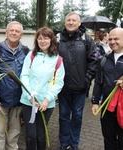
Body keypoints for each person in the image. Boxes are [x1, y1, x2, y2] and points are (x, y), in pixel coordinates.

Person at [57, 12, 97, 150]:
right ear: (65, 22)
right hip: (62, 88)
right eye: (68, 20)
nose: (71, 22)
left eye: (74, 20)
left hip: (80, 88)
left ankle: (74, 143)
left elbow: (94, 60)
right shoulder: (58, 39)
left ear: (79, 23)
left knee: (77, 117)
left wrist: (87, 79)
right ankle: (64, 142)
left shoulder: (86, 39)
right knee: (63, 116)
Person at [20, 27, 65, 150]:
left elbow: (59, 83)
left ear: (51, 40)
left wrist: (47, 99)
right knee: (30, 135)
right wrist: (29, 96)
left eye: (46, 38)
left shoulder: (58, 59)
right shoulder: (31, 55)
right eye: (40, 38)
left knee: (41, 134)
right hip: (29, 102)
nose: (42, 41)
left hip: (46, 104)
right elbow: (24, 76)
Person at [0, 21, 30, 150]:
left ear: (21, 35)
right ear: (6, 32)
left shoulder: (26, 51)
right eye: (11, 30)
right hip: (0, 101)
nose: (14, 33)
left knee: (14, 133)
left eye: (17, 31)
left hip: (18, 101)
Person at [91, 28, 123, 150]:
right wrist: (95, 102)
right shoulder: (104, 59)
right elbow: (98, 82)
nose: (112, 41)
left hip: (122, 108)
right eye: (110, 39)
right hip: (107, 107)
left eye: (116, 39)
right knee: (109, 140)